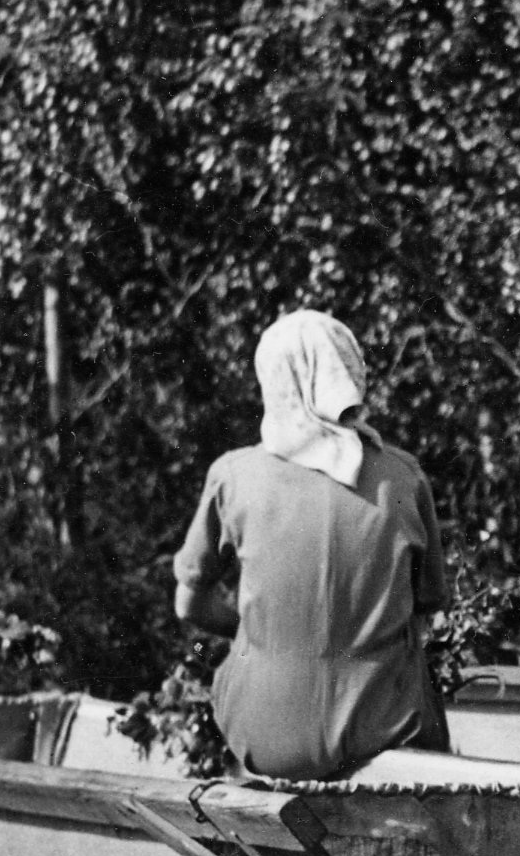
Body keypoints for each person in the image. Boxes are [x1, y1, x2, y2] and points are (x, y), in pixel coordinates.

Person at [173, 310, 449, 781]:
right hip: (383, 736)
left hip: (262, 737)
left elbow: (189, 605)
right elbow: (426, 606)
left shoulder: (233, 476)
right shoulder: (403, 477)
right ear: (350, 375)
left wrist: (262, 630)